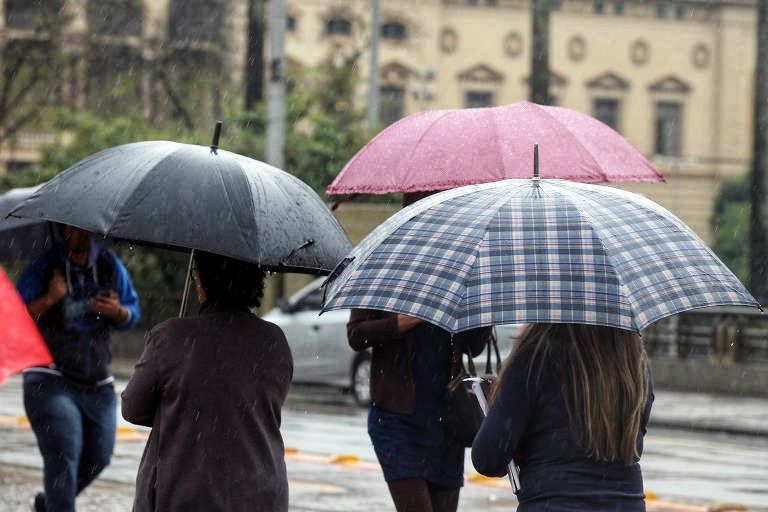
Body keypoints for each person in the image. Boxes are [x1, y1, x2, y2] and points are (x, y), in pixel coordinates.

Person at [121, 250, 293, 512]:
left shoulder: (172, 338)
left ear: (203, 281)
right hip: (260, 494)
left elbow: (133, 408)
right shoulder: (274, 341)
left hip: (183, 493)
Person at [16, 224, 140, 512]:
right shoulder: (45, 265)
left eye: (83, 229)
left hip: (97, 380)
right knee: (64, 452)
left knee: (100, 454)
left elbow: (133, 312)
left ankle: (50, 504)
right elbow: (17, 315)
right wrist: (50, 297)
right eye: (70, 229)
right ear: (60, 229)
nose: (77, 234)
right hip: (50, 376)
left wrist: (118, 312)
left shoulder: (109, 265)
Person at [471, 323, 654, 512]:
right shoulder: (634, 364)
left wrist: (502, 406)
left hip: (552, 502)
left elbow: (488, 459)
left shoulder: (535, 359)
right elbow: (634, 445)